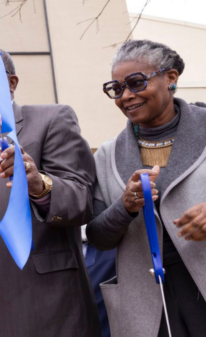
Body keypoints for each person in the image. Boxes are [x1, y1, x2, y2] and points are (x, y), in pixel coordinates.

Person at [0, 49, 101, 336]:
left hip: (42, 304)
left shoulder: (51, 119)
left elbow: (82, 201)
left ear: (11, 83)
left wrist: (39, 185)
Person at [87, 40, 206, 337]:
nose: (126, 96)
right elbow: (98, 237)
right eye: (116, 88)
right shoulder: (107, 155)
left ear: (171, 78)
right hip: (148, 307)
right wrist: (124, 207)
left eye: (137, 83)